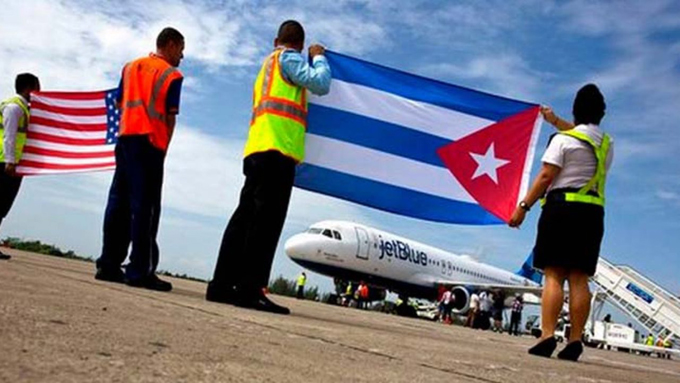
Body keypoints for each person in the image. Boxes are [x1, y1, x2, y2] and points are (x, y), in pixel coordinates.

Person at [205, 20, 331, 314]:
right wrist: (319, 57)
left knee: (243, 220)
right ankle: (249, 289)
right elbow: (321, 84)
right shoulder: (288, 59)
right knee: (266, 223)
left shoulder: (266, 67)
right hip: (278, 151)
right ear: (299, 44)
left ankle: (221, 285)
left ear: (276, 39)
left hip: (256, 149)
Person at [509, 84, 613, 362]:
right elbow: (581, 135)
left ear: (575, 111)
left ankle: (547, 335)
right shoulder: (605, 144)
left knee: (553, 274)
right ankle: (575, 339)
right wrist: (554, 121)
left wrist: (523, 207)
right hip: (592, 213)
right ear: (601, 114)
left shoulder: (562, 141)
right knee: (579, 277)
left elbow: (545, 176)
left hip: (562, 209)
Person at [95, 27, 185, 292]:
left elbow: (118, 103)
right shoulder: (172, 75)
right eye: (181, 48)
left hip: (125, 138)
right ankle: (139, 270)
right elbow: (170, 117)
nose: (182, 55)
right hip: (150, 144)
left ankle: (108, 264)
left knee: (118, 202)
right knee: (145, 208)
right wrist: (164, 149)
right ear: (170, 45)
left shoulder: (130, 67)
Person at [0, 74, 41, 260]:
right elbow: (9, 136)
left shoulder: (25, 108)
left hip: (13, 164)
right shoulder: (14, 107)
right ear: (29, 88)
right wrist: (9, 161)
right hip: (5, 163)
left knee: (2, 205)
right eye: (37, 87)